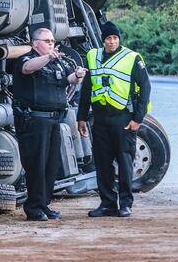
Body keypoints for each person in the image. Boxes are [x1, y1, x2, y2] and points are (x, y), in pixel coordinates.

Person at [78, 21, 151, 218]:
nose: (112, 42)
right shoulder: (93, 56)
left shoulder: (132, 58)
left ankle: (126, 204)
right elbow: (87, 87)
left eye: (115, 38)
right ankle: (107, 203)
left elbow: (145, 88)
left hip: (123, 118)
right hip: (100, 118)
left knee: (125, 162)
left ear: (119, 39)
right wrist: (81, 117)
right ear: (103, 40)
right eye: (108, 38)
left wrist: (138, 118)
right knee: (102, 164)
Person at [13, 28, 87, 221]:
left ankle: (44, 204)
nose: (51, 44)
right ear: (35, 43)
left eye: (52, 41)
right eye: (47, 41)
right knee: (36, 165)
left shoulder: (58, 63)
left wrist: (78, 75)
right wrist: (48, 58)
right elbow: (28, 68)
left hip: (54, 120)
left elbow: (67, 79)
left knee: (50, 166)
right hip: (35, 121)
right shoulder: (27, 58)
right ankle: (34, 207)